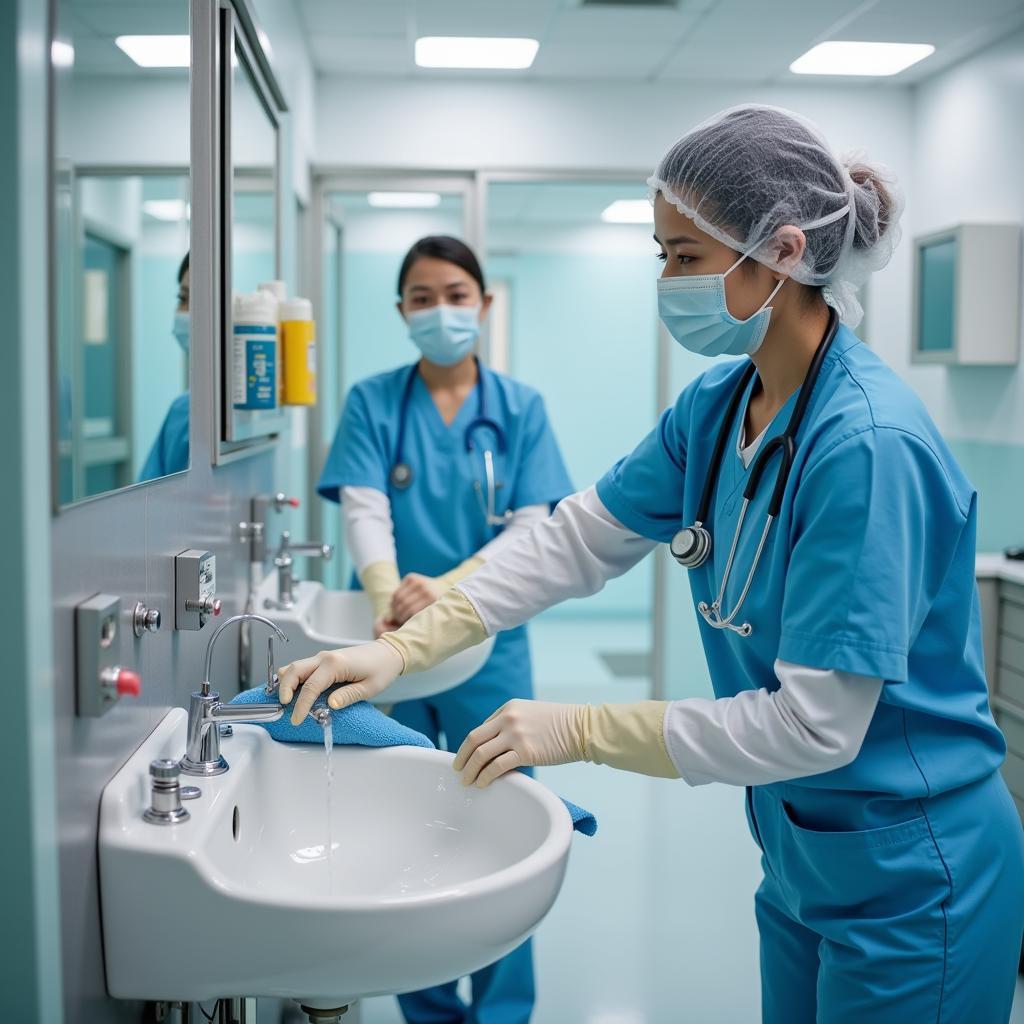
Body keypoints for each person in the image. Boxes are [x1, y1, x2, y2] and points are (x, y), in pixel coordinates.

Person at [281, 106, 1024, 1022]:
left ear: (781, 254)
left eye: (686, 258)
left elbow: (818, 724)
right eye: (660, 256)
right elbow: (575, 537)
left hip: (913, 867)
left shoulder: (866, 446)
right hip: (800, 848)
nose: (666, 281)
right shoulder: (717, 408)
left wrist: (586, 727)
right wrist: (399, 651)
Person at [315, 235, 572, 1024]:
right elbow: (365, 506)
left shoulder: (521, 408)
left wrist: (450, 587)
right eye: (422, 298)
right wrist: (393, 598)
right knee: (400, 826)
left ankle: (502, 1010)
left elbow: (533, 527)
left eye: (457, 295)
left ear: (485, 305)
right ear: (402, 312)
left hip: (490, 645)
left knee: (503, 822)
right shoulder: (374, 401)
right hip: (389, 643)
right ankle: (427, 1009)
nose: (441, 311)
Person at [139, 252, 190, 481]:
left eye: (192, 299)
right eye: (182, 298)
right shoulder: (183, 410)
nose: (184, 311)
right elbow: (147, 498)